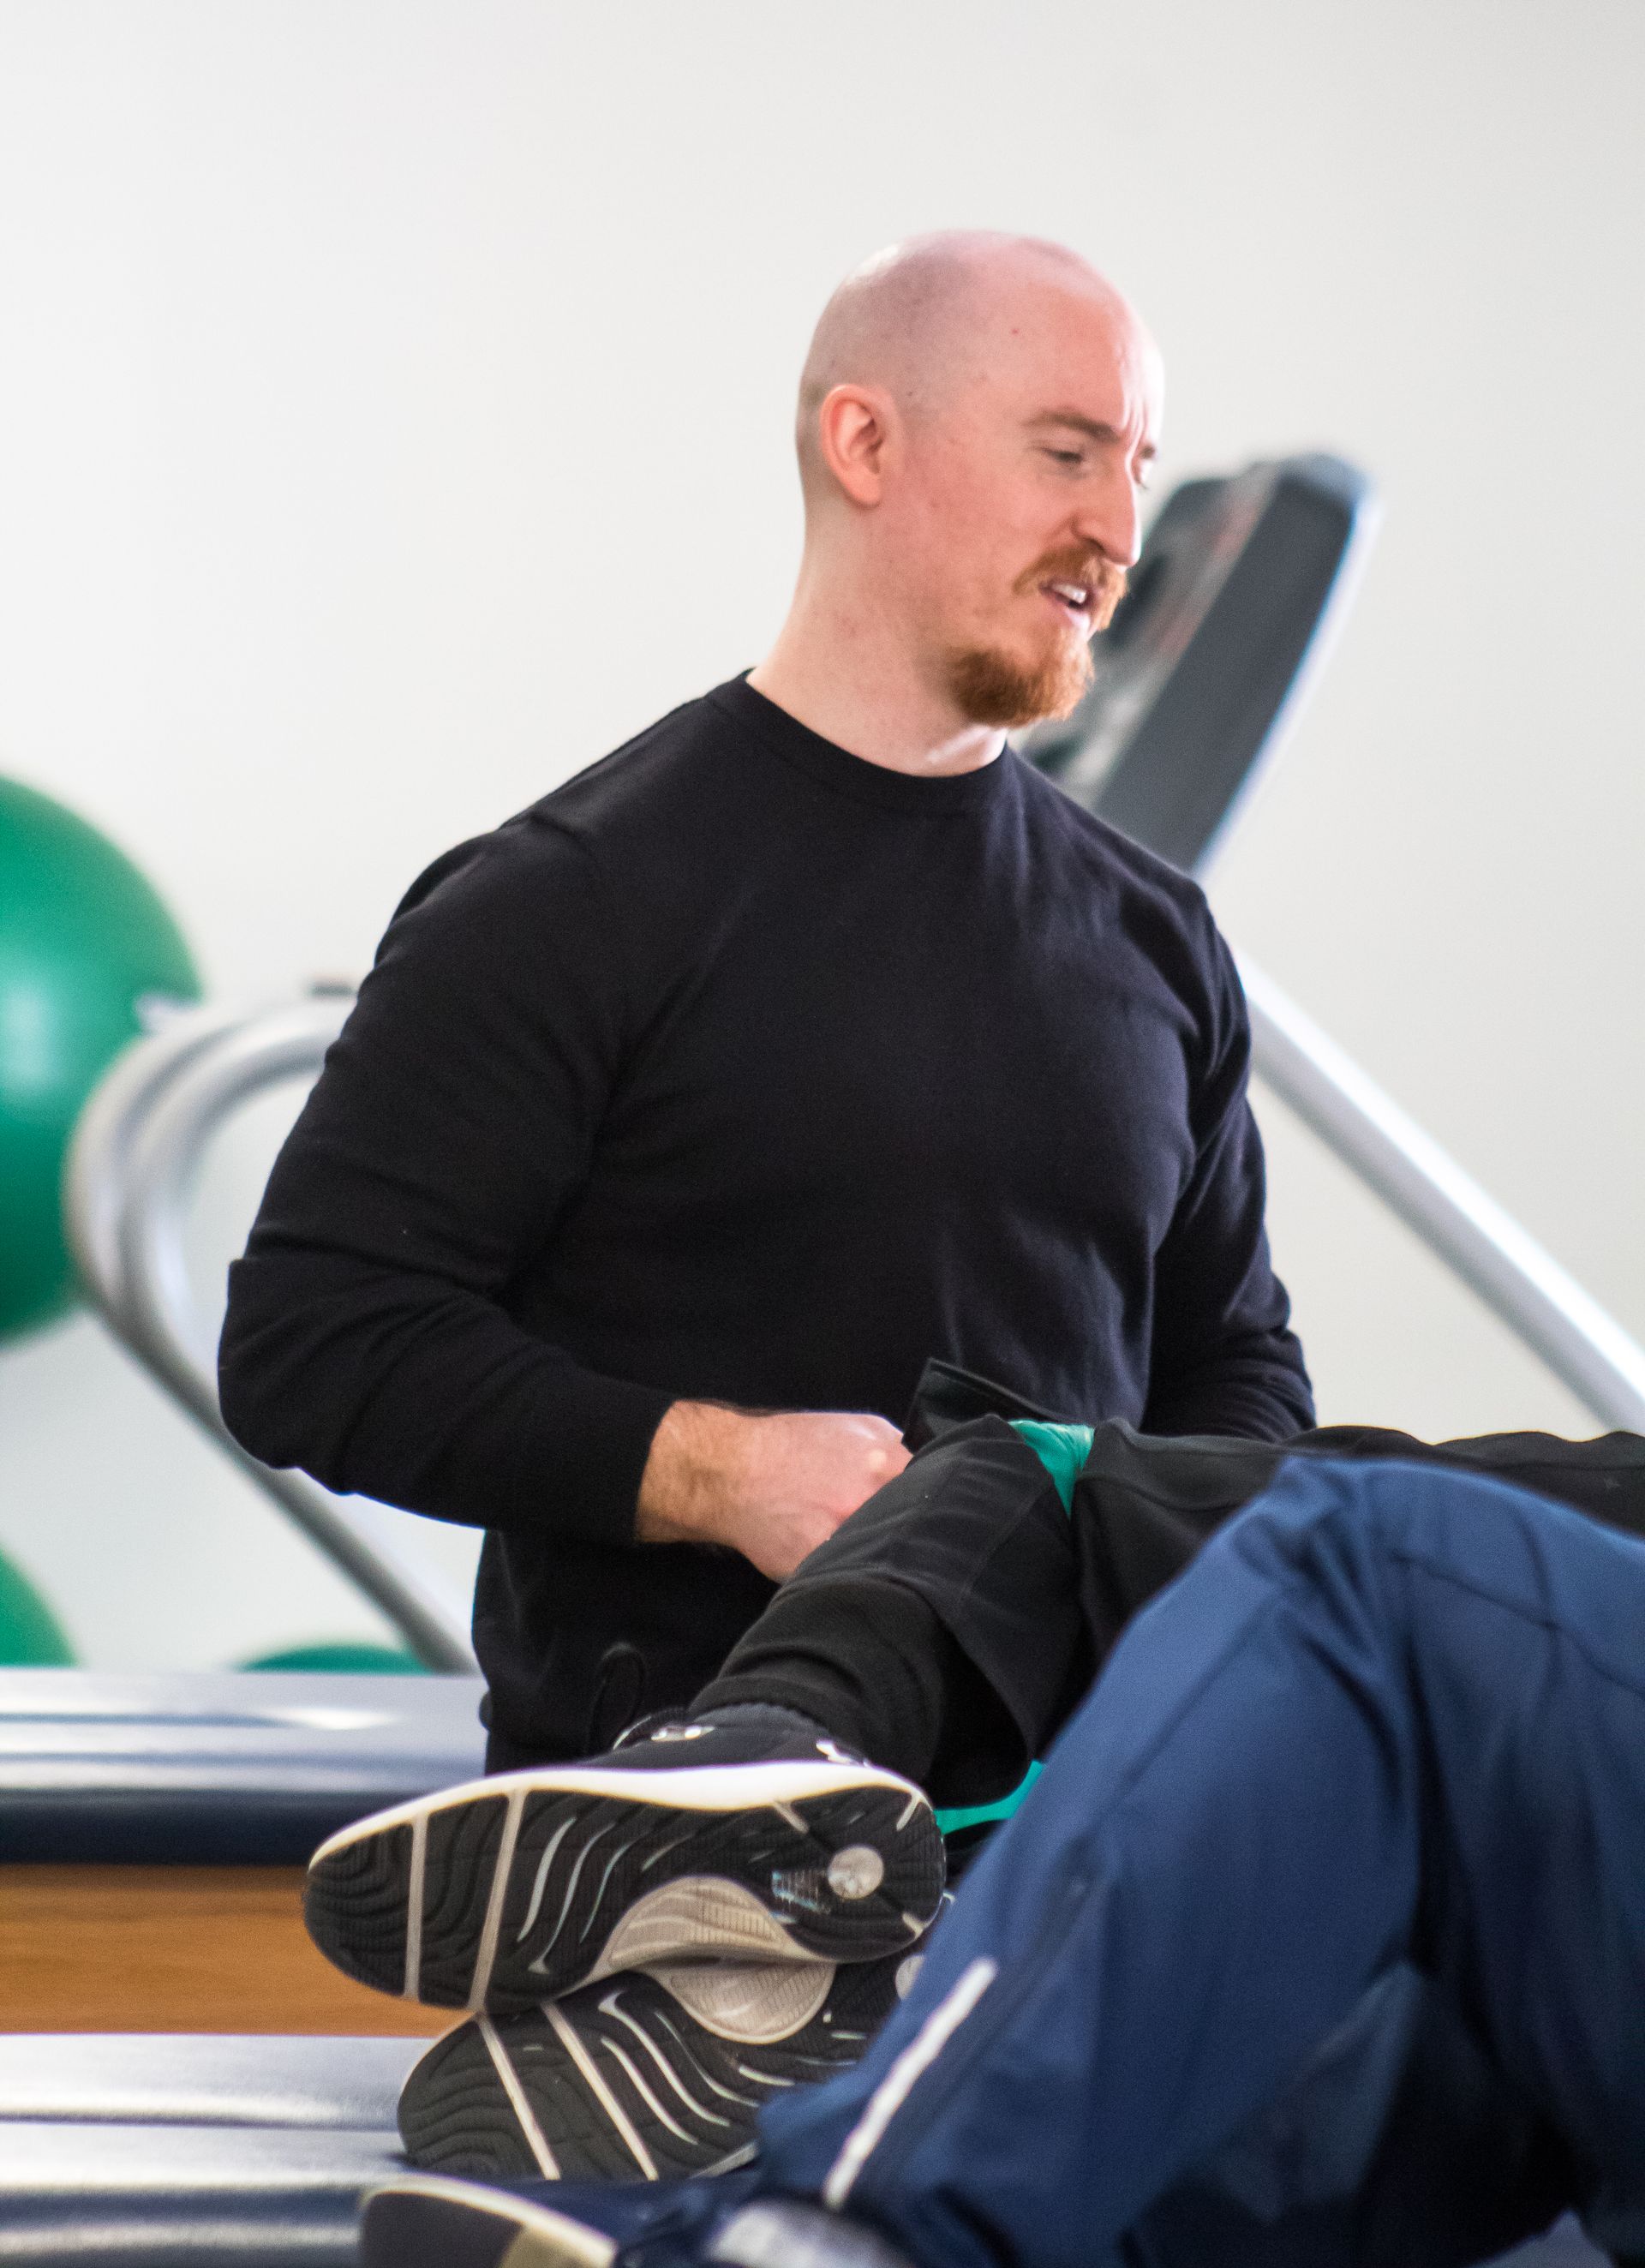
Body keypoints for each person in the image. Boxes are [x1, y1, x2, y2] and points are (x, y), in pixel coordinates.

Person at [217, 232, 1312, 1774]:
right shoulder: (570, 898)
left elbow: (1239, 1364)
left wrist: (1143, 1553)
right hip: (670, 1838)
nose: (1119, 530)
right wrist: (719, 1475)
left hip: (1075, 1837)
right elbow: (314, 1342)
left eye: (1136, 468)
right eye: (1067, 454)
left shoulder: (1157, 938)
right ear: (863, 443)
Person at [304, 1391, 1645, 2263]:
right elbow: (316, 1338)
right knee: (1448, 2006)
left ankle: (855, 2197)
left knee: (1363, 1566)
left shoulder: (1174, 1020)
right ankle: (895, 2052)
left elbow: (1239, 1373)